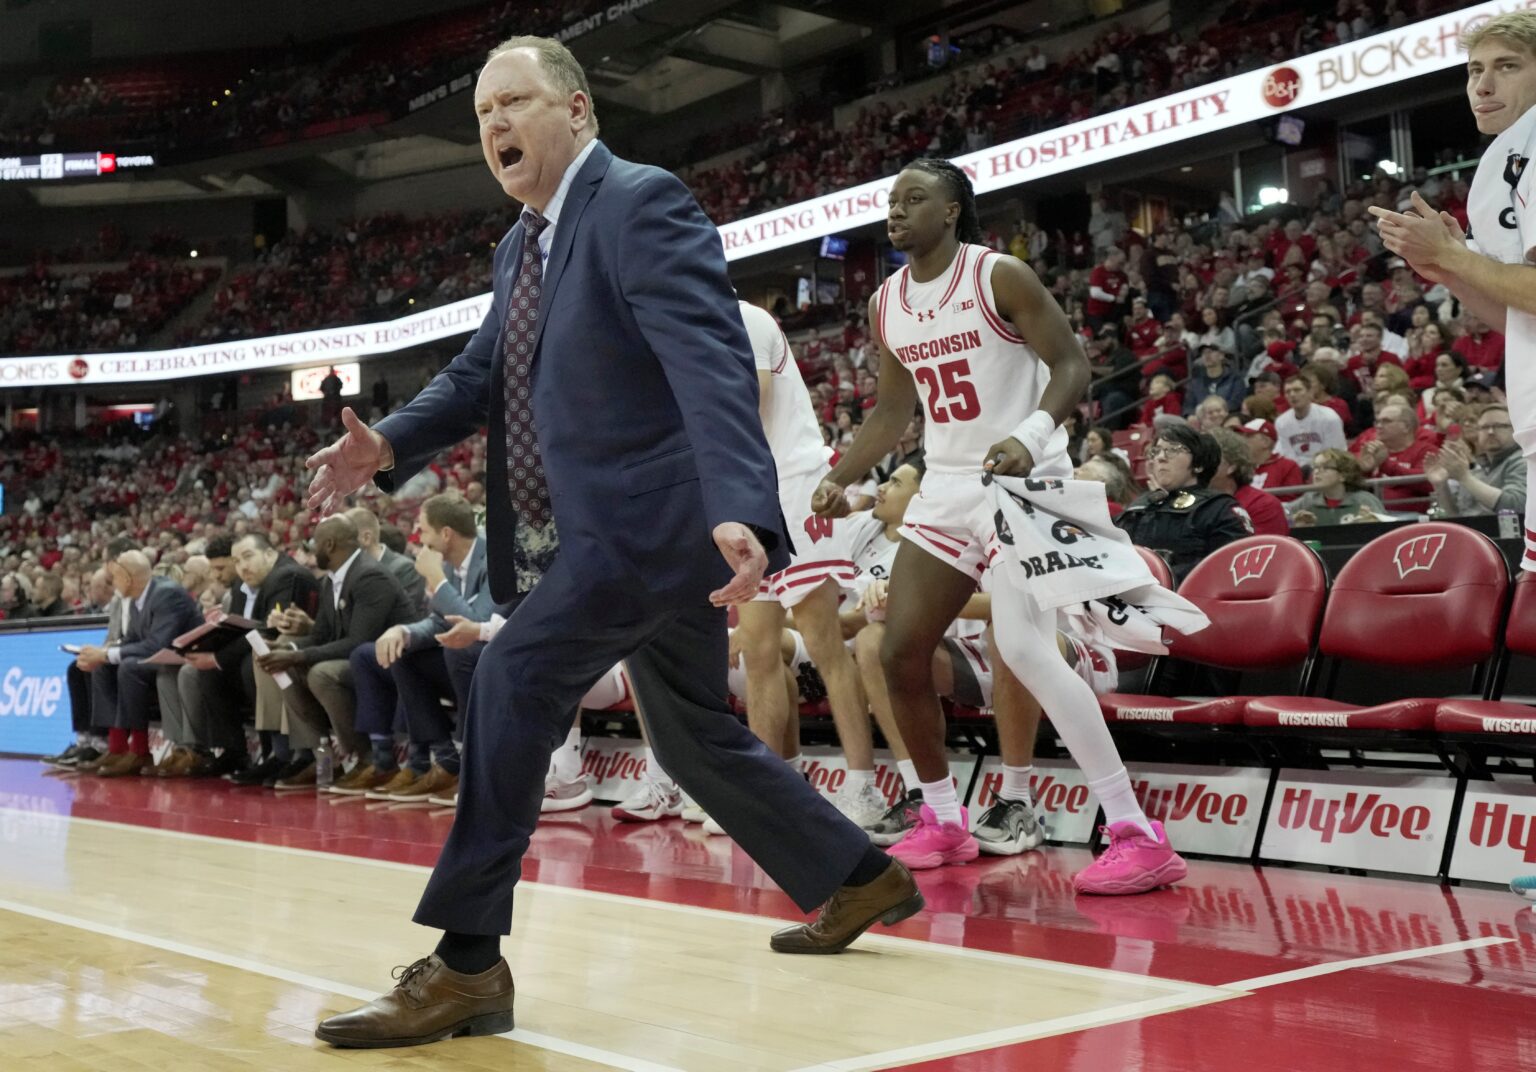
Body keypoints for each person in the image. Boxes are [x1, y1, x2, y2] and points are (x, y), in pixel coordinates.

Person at [307, 36, 911, 1050]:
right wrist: (390, 443)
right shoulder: (523, 246)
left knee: (510, 680)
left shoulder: (641, 201)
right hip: (617, 532)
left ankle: (466, 963)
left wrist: (741, 505)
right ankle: (858, 876)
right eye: (482, 113)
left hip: (649, 526)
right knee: (690, 732)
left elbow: (712, 357)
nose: (494, 124)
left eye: (515, 102)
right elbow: (477, 375)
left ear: (578, 109)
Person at [811, 157, 1187, 894]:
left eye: (913, 198)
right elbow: (893, 412)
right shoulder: (887, 301)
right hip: (946, 484)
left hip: (1023, 478)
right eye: (890, 199)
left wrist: (1035, 430)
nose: (896, 210)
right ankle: (944, 819)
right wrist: (841, 476)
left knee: (1023, 646)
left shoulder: (997, 276)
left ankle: (1137, 833)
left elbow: (1072, 366)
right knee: (898, 651)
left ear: (952, 210)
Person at [1370, 12, 1536, 576]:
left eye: (1506, 67)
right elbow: (1518, 314)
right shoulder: (1507, 153)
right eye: (1473, 70)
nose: (1482, 86)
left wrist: (1454, 257)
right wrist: (1449, 271)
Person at [733, 300, 881, 829]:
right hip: (751, 488)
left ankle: (864, 787)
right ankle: (772, 788)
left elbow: (753, 403)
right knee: (758, 649)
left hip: (795, 481)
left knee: (823, 641)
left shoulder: (743, 317)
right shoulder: (690, 327)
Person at [1116, 425, 1253, 582]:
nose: (1160, 457)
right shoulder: (1139, 507)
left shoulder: (1220, 509)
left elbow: (1234, 572)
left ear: (1198, 464)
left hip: (1191, 600)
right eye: (1156, 451)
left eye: (1173, 450)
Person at [1427, 403, 1528, 518]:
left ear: (1515, 429)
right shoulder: (1478, 467)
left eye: (1499, 426)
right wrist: (1440, 485)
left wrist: (1465, 477)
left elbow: (1516, 506)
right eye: (1484, 427)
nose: (1490, 432)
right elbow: (1455, 517)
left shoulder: (1524, 461)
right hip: (1472, 533)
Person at [1209, 429, 1289, 537]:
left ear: (1231, 466)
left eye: (1208, 458)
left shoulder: (1263, 505)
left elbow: (1263, 550)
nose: (1198, 466)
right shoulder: (1189, 500)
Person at [1289, 448, 1386, 526]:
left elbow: (1386, 532)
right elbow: (1283, 517)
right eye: (1315, 467)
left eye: (1325, 467)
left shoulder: (1365, 500)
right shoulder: (1307, 501)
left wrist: (1371, 524)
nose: (1317, 472)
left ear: (1343, 475)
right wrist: (1296, 525)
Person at [1275, 373, 1346, 466]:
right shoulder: (1281, 422)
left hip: (1328, 466)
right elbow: (1287, 454)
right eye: (1288, 392)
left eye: (1297, 390)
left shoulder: (1329, 417)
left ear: (1310, 392)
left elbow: (1334, 452)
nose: (1292, 395)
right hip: (1296, 470)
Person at [1240, 419, 1304, 499]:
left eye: (1248, 436)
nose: (1241, 440)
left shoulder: (1288, 467)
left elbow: (1291, 502)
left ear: (1266, 442)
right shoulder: (1240, 467)